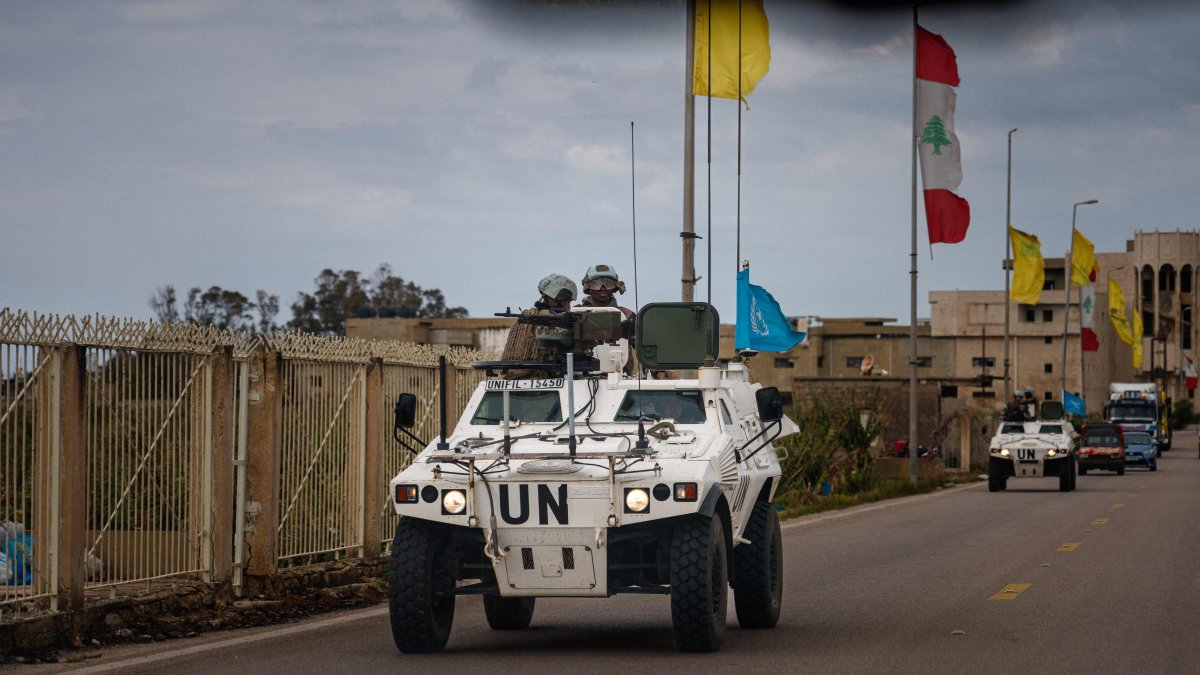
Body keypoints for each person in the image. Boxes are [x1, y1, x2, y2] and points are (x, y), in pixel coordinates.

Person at [499, 273, 577, 379]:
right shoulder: (550, 318)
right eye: (566, 301)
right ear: (557, 298)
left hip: (510, 377)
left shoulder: (527, 316)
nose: (568, 305)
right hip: (537, 379)